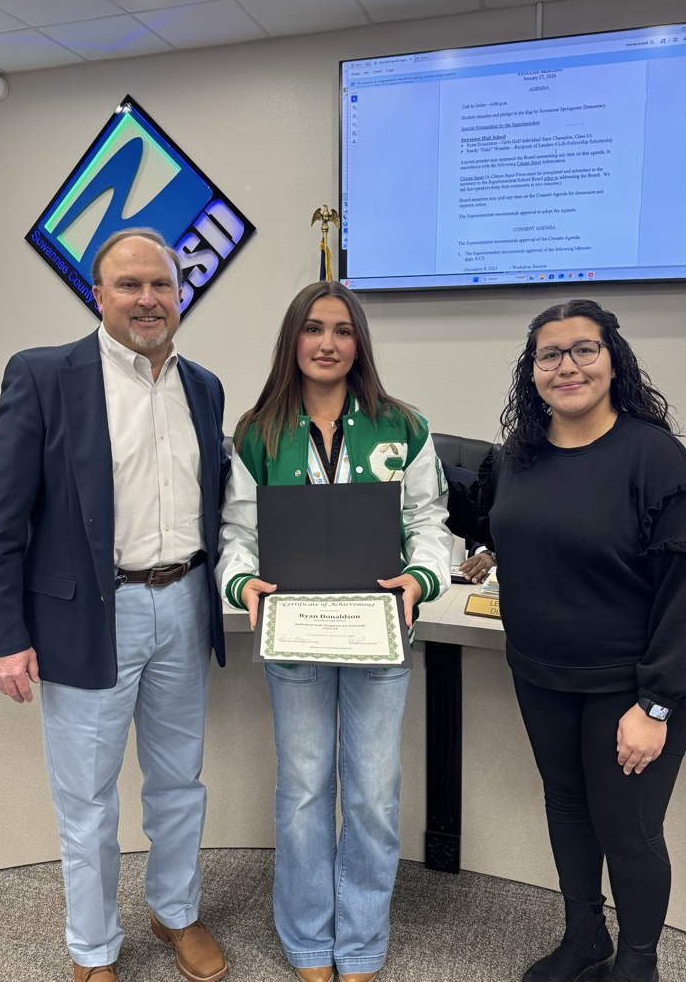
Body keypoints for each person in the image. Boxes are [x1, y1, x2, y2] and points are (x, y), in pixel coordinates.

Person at [0, 229, 230, 982]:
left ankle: (174, 912)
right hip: (89, 615)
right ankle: (94, 948)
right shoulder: (46, 377)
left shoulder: (202, 386)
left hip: (183, 600)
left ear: (179, 294)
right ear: (98, 294)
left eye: (162, 285)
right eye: (129, 285)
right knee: (87, 796)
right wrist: (2, 637)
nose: (148, 299)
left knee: (180, 778)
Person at [215, 281, 452, 982]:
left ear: (360, 343)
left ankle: (361, 945)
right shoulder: (256, 432)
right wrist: (241, 580)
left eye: (343, 331)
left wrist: (419, 579)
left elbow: (431, 524)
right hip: (293, 633)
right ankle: (310, 940)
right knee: (306, 790)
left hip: (379, 631)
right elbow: (237, 533)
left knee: (374, 792)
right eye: (313, 329)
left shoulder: (403, 426)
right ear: (293, 339)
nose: (327, 343)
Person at [477, 299, 686, 982]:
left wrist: (657, 704)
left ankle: (638, 962)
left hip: (630, 686)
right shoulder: (521, 452)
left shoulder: (654, 456)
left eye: (584, 349)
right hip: (541, 672)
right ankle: (585, 938)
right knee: (568, 806)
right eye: (550, 354)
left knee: (627, 827)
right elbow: (521, 528)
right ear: (532, 370)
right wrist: (493, 555)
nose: (567, 366)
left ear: (613, 359)